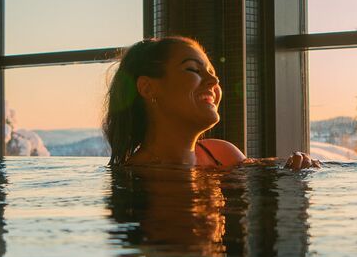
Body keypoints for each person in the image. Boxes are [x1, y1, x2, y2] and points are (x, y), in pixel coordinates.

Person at [104, 36, 319, 169]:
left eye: (212, 73)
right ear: (147, 88)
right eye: (192, 69)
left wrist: (299, 166)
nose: (214, 81)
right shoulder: (135, 176)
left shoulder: (223, 155)